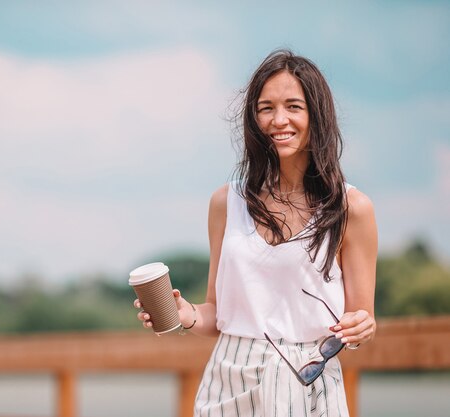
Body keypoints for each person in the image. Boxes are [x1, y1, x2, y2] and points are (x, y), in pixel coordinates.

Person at [134, 49, 377, 417]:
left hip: (308, 377)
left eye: (293, 106)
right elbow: (218, 313)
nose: (279, 120)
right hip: (228, 376)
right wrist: (185, 313)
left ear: (317, 115)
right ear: (253, 119)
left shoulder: (351, 208)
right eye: (266, 108)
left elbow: (361, 320)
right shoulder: (225, 202)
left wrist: (362, 326)